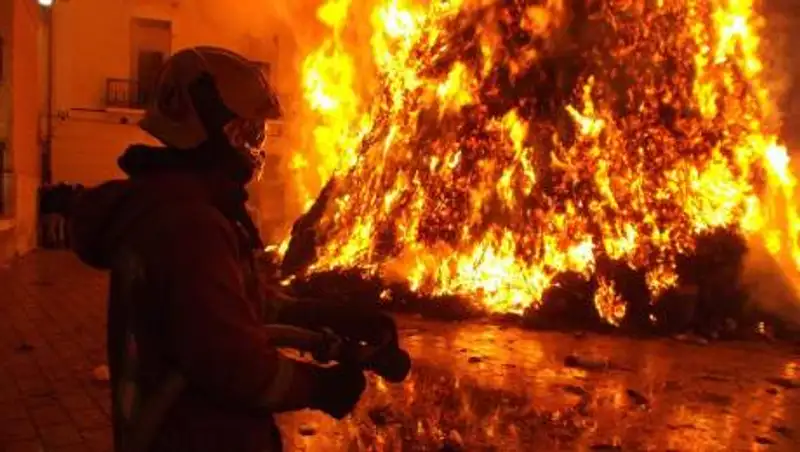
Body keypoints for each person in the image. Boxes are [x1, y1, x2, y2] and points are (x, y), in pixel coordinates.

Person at [68, 47, 368, 452]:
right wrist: (319, 386)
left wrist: (317, 316)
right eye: (247, 133)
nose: (254, 146)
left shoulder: (168, 206)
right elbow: (231, 362)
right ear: (208, 125)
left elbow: (228, 308)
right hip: (198, 437)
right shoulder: (187, 225)